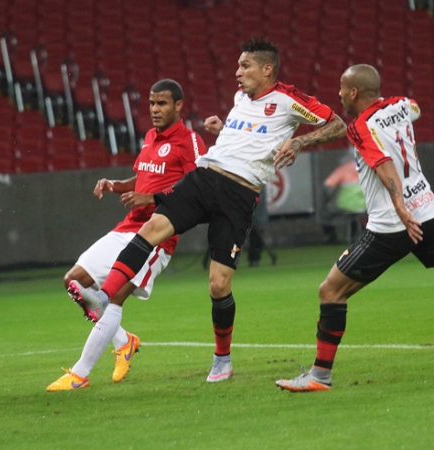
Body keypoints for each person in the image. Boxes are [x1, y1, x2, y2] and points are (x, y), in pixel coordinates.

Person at [50, 37, 347, 388]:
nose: (237, 72)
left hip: (240, 194)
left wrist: (299, 141)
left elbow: (337, 124)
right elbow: (247, 137)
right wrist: (225, 130)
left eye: (245, 66)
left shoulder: (287, 100)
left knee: (219, 284)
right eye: (238, 65)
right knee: (151, 229)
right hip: (206, 178)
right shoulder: (240, 99)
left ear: (267, 69)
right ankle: (103, 295)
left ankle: (222, 359)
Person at [276, 64, 432, 392]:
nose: (339, 94)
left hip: (392, 225)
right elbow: (415, 108)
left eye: (342, 88)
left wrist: (400, 208)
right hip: (428, 211)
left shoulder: (359, 126)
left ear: (354, 93)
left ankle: (319, 376)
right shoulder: (402, 104)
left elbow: (384, 164)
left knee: (330, 290)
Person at [47, 79, 208, 391]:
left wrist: (153, 200)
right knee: (74, 280)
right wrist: (116, 184)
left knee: (115, 295)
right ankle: (125, 341)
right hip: (127, 227)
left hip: (158, 235)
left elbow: (197, 187)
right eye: (151, 103)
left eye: (162, 103)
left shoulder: (189, 140)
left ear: (178, 106)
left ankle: (80, 374)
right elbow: (144, 177)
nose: (155, 110)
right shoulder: (150, 136)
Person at [321, 152, 367, 244]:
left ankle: (333, 237)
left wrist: (328, 198)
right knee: (362, 216)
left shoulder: (343, 169)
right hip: (366, 204)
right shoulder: (365, 167)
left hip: (346, 205)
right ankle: (364, 232)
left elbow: (327, 185)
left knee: (325, 213)